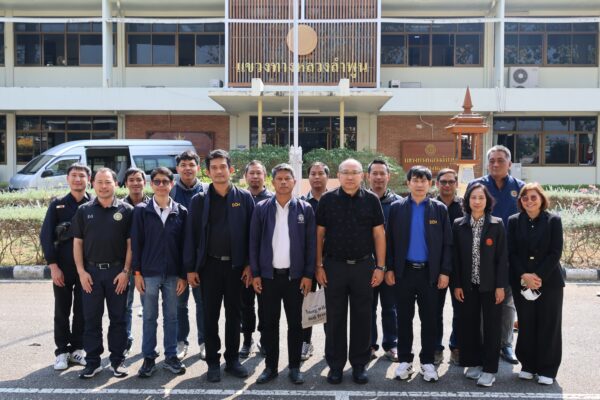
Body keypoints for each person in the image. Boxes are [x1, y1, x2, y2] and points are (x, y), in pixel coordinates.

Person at [183, 149, 255, 383]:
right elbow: (191, 236)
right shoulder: (199, 200)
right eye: (213, 168)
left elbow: (252, 234)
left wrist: (249, 264)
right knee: (210, 316)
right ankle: (213, 362)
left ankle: (232, 360)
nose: (219, 171)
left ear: (231, 170)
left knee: (234, 315)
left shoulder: (244, 198)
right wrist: (191, 268)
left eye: (223, 166)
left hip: (236, 268)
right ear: (207, 172)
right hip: (209, 267)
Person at [315, 158, 386, 385]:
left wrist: (380, 267)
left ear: (362, 176)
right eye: (345, 172)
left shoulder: (372, 200)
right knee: (334, 318)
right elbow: (319, 235)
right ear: (338, 175)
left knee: (362, 317)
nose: (350, 176)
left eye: (354, 172)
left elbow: (379, 234)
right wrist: (318, 265)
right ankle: (335, 365)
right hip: (333, 266)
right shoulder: (327, 200)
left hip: (364, 267)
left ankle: (359, 364)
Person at [250, 163, 316, 385]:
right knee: (269, 324)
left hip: (295, 278)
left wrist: (308, 275)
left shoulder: (305, 209)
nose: (284, 182)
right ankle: (270, 367)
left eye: (288, 178)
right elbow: (253, 243)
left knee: (296, 324)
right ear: (273, 182)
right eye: (279, 178)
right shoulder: (261, 208)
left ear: (294, 182)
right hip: (268, 278)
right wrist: (256, 273)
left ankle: (295, 367)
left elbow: (311, 245)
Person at [386, 165, 452, 382]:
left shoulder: (439, 209)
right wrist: (389, 268)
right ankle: (405, 360)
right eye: (415, 179)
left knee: (430, 319)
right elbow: (389, 241)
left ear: (430, 184)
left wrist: (444, 272)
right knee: (404, 318)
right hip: (404, 273)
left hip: (429, 274)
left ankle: (427, 362)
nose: (419, 184)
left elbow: (447, 244)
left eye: (424, 180)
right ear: (408, 183)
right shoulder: (396, 208)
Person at [72, 168, 134, 379]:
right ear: (93, 184)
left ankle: (117, 361)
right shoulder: (84, 211)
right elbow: (77, 243)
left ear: (116, 184)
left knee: (118, 319)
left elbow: (131, 244)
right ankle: (92, 362)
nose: (103, 186)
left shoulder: (127, 210)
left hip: (118, 273)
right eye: (99, 182)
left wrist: (126, 271)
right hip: (91, 274)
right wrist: (81, 272)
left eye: (108, 182)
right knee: (91, 319)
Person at [469, 145, 524, 364]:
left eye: (500, 160)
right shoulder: (477, 186)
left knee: (507, 303)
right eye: (491, 160)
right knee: (482, 304)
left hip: (510, 256)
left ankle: (505, 344)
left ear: (509, 164)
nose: (495, 164)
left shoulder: (519, 188)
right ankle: (484, 344)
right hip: (481, 256)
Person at [131, 167, 188, 377]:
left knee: (172, 317)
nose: (161, 185)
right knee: (149, 317)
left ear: (172, 184)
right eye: (157, 181)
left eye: (165, 181)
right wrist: (137, 273)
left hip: (173, 274)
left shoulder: (181, 211)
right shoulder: (141, 211)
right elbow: (136, 243)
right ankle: (148, 358)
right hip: (149, 274)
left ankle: (171, 356)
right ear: (151, 184)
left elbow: (185, 247)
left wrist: (183, 275)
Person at [452, 183, 508, 387]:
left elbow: (502, 258)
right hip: (467, 285)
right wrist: (457, 284)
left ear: (487, 201)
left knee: (492, 327)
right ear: (467, 201)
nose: (477, 201)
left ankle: (490, 369)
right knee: (469, 325)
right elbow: (455, 258)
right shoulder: (458, 224)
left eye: (481, 198)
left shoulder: (496, 224)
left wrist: (500, 286)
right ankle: (474, 363)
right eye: (473, 197)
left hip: (491, 286)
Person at [508, 183, 564, 385]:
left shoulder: (553, 220)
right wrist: (525, 275)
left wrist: (537, 276)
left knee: (549, 324)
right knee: (526, 323)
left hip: (549, 281)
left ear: (541, 199)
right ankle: (528, 365)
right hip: (522, 281)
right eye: (525, 198)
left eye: (533, 197)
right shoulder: (514, 221)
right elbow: (511, 252)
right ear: (520, 201)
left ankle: (547, 369)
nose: (529, 201)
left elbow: (555, 252)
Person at [40, 163, 92, 371]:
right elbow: (46, 236)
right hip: (62, 266)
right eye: (74, 175)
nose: (78, 179)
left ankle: (78, 349)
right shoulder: (58, 204)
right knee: (62, 310)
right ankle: (61, 351)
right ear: (67, 179)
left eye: (82, 176)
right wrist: (53, 266)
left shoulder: (94, 203)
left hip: (87, 268)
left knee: (82, 309)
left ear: (89, 179)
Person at [171, 150, 207, 361]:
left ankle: (204, 341)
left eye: (191, 164)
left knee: (203, 304)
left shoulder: (207, 191)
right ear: (177, 168)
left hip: (202, 260)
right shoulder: (170, 191)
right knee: (179, 305)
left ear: (198, 168)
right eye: (183, 165)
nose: (187, 168)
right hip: (177, 260)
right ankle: (181, 341)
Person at [366, 159, 400, 362]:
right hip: (365, 267)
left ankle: (391, 344)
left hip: (389, 268)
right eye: (375, 173)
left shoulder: (397, 204)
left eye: (382, 173)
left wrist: (390, 267)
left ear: (388, 176)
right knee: (367, 308)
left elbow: (399, 238)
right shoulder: (361, 200)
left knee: (390, 308)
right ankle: (369, 345)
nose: (378, 177)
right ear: (367, 176)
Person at [240, 160, 273, 358]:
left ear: (264, 176)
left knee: (265, 305)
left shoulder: (272, 199)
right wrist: (247, 264)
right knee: (245, 305)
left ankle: (265, 339)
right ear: (245, 176)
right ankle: (247, 340)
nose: (255, 176)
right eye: (251, 173)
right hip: (243, 264)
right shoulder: (239, 198)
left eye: (258, 173)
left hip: (265, 263)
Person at [299, 161, 329, 361]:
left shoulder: (335, 200)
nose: (317, 177)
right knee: (306, 303)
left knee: (331, 305)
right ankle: (305, 343)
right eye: (313, 173)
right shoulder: (301, 203)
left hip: (330, 263)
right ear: (308, 177)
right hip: (306, 263)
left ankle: (331, 345)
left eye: (320, 173)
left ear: (327, 176)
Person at [434, 168, 464, 365]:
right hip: (435, 268)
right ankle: (436, 348)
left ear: (456, 184)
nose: (447, 185)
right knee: (434, 311)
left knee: (460, 311)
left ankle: (456, 347)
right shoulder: (429, 206)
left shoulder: (464, 206)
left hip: (460, 267)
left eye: (451, 181)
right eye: (443, 181)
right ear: (437, 184)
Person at [122, 167, 150, 356]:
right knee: (125, 306)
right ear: (125, 183)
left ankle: (148, 346)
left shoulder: (152, 205)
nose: (135, 183)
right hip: (124, 265)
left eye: (139, 179)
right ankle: (126, 341)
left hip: (146, 265)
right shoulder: (119, 206)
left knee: (148, 307)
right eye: (131, 180)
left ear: (144, 182)